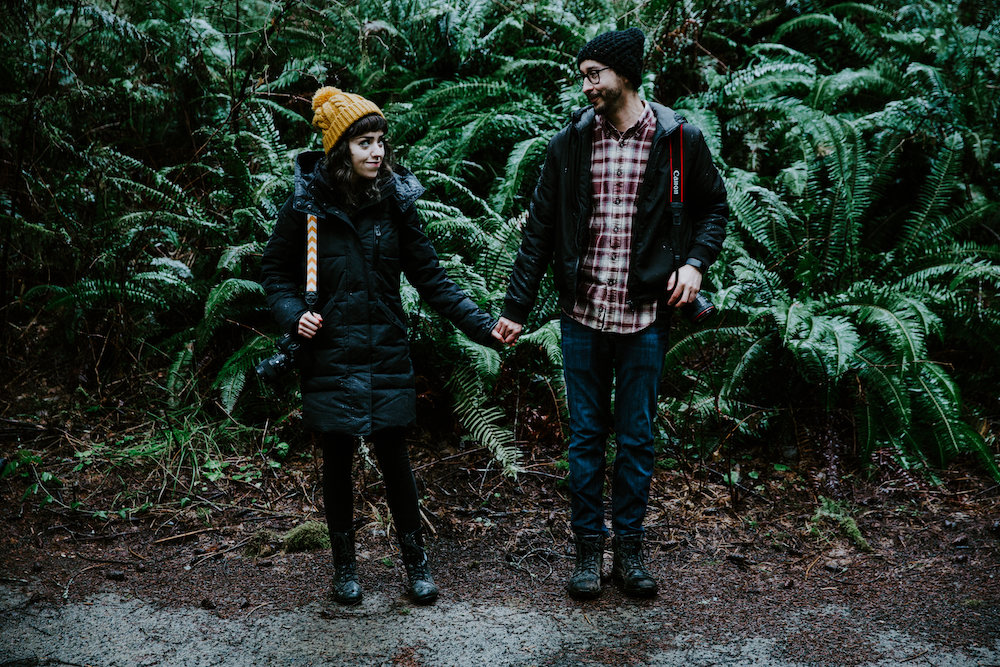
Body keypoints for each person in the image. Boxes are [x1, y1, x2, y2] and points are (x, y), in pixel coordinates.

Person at [494, 28, 728, 600]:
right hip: (581, 315)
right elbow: (541, 232)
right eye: (583, 76)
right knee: (584, 438)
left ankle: (629, 550)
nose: (586, 85)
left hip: (646, 317)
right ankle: (586, 553)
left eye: (593, 73)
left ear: (623, 73)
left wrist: (695, 263)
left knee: (639, 436)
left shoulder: (679, 141)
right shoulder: (570, 141)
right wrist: (515, 310)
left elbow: (714, 208)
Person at [261, 87, 504, 606]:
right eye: (364, 143)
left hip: (386, 349)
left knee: (396, 458)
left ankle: (416, 564)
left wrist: (483, 327)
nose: (376, 152)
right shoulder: (306, 206)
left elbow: (433, 279)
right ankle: (344, 568)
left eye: (380, 142)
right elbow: (274, 273)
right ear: (340, 150)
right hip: (329, 352)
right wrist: (292, 315)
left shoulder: (394, 202)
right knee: (337, 460)